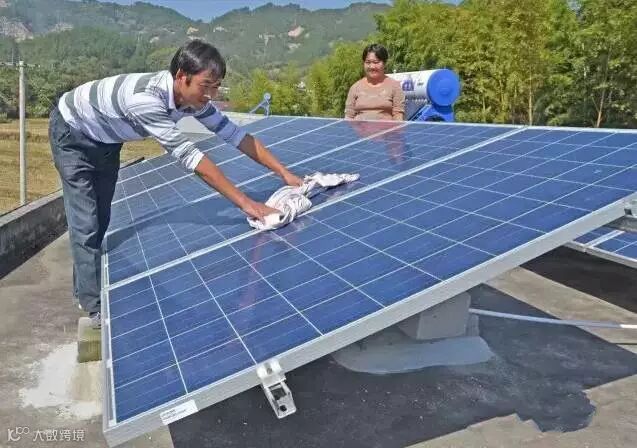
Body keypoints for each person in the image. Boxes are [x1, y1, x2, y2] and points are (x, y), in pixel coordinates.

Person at [49, 40, 302, 328]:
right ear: (182, 76)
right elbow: (190, 157)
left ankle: (84, 285)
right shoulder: (145, 100)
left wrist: (284, 173)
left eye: (216, 87)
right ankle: (94, 306)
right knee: (86, 223)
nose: (211, 95)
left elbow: (235, 135)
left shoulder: (195, 102)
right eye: (206, 86)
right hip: (73, 134)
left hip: (107, 140)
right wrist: (248, 204)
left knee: (101, 216)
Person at [344, 43, 405, 121]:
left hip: (386, 129)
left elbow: (398, 115)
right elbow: (349, 117)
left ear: (384, 63)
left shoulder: (395, 86)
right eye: (368, 62)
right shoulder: (355, 88)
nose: (372, 66)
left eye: (376, 62)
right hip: (359, 129)